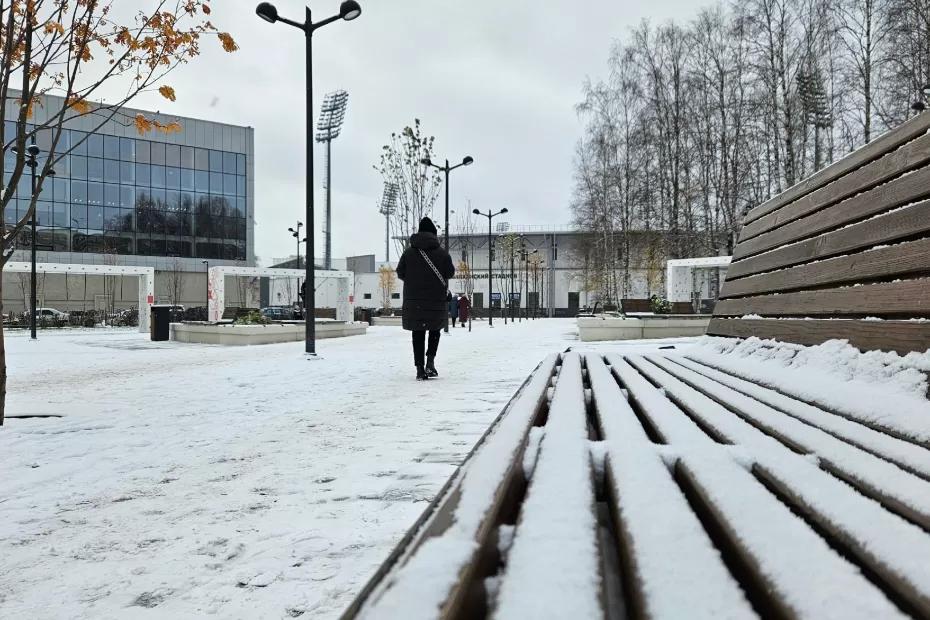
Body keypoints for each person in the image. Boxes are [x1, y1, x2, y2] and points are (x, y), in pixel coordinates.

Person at [396, 217, 455, 380]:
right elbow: (450, 273)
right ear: (434, 234)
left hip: (414, 302)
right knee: (435, 330)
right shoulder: (442, 254)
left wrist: (414, 281)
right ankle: (430, 362)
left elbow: (400, 272)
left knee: (418, 332)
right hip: (436, 300)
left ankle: (419, 369)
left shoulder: (408, 253)